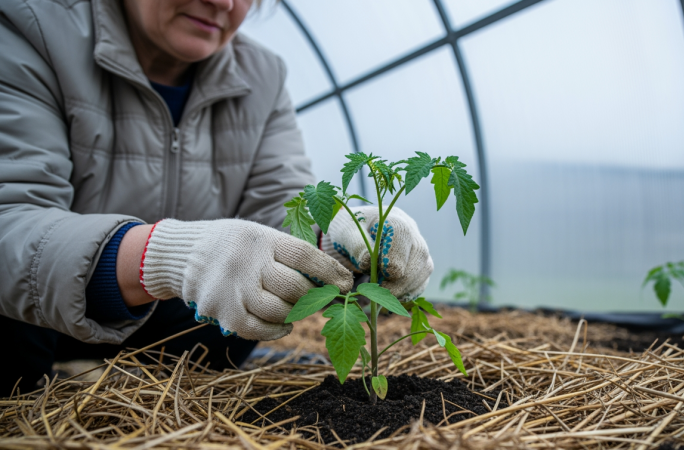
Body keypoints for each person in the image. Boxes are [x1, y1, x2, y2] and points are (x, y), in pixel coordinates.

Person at [0, 0, 433, 394]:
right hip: (35, 322)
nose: (223, 3)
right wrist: (162, 257)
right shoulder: (31, 27)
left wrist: (338, 238)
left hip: (172, 327)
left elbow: (281, 204)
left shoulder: (261, 75)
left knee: (242, 320)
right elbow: (10, 220)